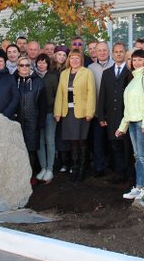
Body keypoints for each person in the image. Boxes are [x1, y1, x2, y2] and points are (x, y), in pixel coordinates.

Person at [115, 49, 144, 201]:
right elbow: (129, 107)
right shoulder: (133, 79)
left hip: (142, 122)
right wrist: (122, 127)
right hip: (132, 123)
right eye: (134, 60)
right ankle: (139, 186)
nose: (136, 62)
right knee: (137, 156)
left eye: (140, 59)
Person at [54, 48, 95, 181]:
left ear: (81, 59)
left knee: (82, 140)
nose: (74, 60)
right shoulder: (64, 74)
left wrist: (90, 112)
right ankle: (74, 168)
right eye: (72, 57)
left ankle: (82, 169)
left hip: (82, 112)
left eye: (77, 58)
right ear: (68, 60)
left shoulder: (87, 72)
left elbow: (91, 93)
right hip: (68, 112)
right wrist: (57, 112)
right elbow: (60, 93)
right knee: (72, 142)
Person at [98, 42, 133, 184]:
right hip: (111, 116)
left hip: (127, 115)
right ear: (112, 54)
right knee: (115, 145)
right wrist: (101, 115)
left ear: (125, 53)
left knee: (127, 146)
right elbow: (102, 96)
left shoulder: (130, 72)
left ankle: (130, 174)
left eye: (121, 51)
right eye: (116, 52)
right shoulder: (106, 73)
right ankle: (119, 173)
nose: (118, 54)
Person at [15, 57, 46, 182]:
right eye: (21, 65)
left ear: (30, 67)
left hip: (32, 120)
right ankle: (18, 175)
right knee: (17, 148)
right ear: (18, 67)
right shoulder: (12, 80)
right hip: (16, 121)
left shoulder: (38, 82)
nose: (24, 68)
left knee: (31, 148)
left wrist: (41, 121)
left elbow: (43, 104)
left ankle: (31, 175)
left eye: (27, 65)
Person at [87, 41, 113, 177]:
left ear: (108, 51)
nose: (102, 53)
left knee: (113, 141)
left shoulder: (115, 65)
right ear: (95, 53)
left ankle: (114, 167)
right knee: (98, 141)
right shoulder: (90, 68)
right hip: (97, 111)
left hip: (113, 111)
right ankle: (99, 167)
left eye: (104, 50)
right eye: (99, 51)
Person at [34, 53, 58, 183]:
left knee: (50, 140)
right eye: (39, 62)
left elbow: (57, 96)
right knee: (39, 141)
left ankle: (50, 168)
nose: (41, 64)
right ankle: (43, 167)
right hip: (36, 114)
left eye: (44, 62)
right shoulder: (33, 76)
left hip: (49, 113)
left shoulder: (52, 77)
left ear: (48, 64)